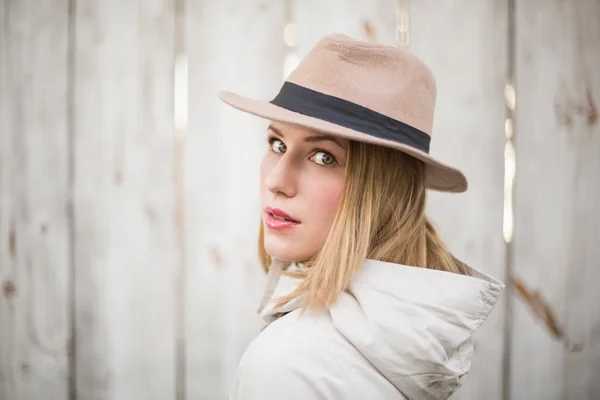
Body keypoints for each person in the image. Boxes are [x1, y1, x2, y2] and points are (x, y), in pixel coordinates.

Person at [219, 33, 505, 400]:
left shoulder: (286, 366)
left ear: (382, 192)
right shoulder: (420, 346)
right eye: (277, 144)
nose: (277, 181)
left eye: (324, 157)